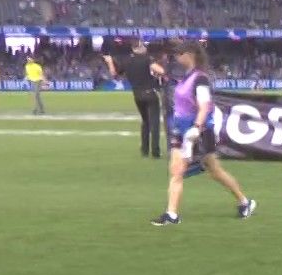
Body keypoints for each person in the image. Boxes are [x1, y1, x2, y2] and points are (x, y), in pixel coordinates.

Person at [151, 41, 256, 226]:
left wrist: (197, 127)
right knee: (176, 171)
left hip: (199, 131)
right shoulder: (186, 76)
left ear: (189, 54)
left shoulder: (200, 79)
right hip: (180, 128)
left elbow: (204, 105)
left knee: (215, 171)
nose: (176, 57)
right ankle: (171, 214)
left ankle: (244, 202)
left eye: (179, 54)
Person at [106, 40, 165, 159]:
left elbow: (114, 74)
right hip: (150, 93)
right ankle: (155, 151)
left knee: (145, 122)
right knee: (154, 123)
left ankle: (144, 150)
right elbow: (161, 71)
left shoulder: (127, 60)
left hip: (137, 95)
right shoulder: (147, 59)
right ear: (139, 47)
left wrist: (110, 61)